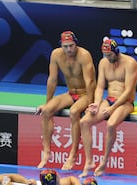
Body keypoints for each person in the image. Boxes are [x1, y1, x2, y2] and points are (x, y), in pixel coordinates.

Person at [36, 31, 96, 170]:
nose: (69, 49)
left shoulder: (84, 55)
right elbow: (52, 79)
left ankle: (73, 155)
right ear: (61, 46)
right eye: (66, 46)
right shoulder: (56, 55)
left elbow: (90, 82)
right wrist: (48, 102)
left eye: (71, 46)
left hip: (84, 94)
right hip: (70, 93)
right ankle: (46, 152)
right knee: (46, 111)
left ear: (76, 44)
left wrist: (91, 105)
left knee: (74, 112)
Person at [79, 39, 137, 177]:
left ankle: (104, 162)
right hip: (109, 99)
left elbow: (129, 90)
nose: (108, 58)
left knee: (111, 124)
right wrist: (96, 103)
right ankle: (89, 161)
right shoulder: (103, 63)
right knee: (84, 122)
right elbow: (100, 87)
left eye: (110, 55)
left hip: (125, 102)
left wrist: (113, 109)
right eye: (105, 55)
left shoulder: (130, 63)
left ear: (116, 51)